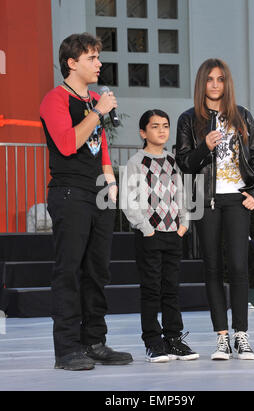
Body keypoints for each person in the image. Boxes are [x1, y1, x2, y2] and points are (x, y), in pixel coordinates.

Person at [40, 33, 133, 371]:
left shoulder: (94, 98)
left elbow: (100, 143)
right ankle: (66, 348)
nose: (99, 63)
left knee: (98, 271)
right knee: (69, 271)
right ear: (72, 62)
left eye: (98, 57)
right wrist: (98, 111)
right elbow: (67, 144)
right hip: (70, 191)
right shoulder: (55, 100)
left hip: (98, 192)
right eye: (92, 58)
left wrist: (111, 179)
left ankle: (94, 341)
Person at [176, 59, 254, 361]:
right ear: (202, 83)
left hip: (237, 201)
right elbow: (184, 163)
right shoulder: (189, 119)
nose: (215, 85)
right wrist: (204, 146)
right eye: (210, 79)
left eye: (221, 79)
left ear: (227, 83)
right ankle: (222, 338)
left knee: (239, 267)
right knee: (212, 268)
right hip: (207, 201)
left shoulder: (243, 117)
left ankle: (242, 334)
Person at [121, 109, 199, 363]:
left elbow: (182, 194)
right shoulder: (136, 162)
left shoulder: (174, 161)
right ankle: (154, 342)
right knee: (151, 289)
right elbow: (128, 200)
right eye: (155, 126)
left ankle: (174, 339)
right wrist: (147, 228)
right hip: (149, 235)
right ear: (143, 132)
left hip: (174, 233)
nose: (162, 130)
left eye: (165, 125)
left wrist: (184, 224)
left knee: (171, 289)